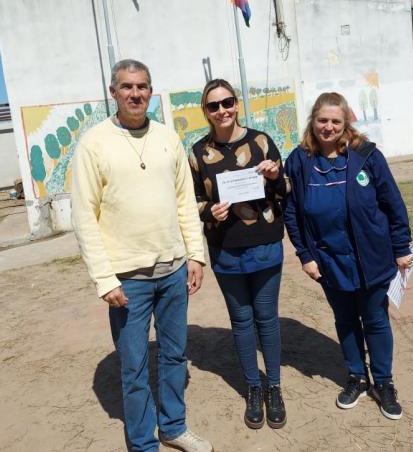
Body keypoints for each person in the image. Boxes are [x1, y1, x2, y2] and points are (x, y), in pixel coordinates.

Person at [71, 60, 213, 452]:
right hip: (126, 279)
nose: (136, 93)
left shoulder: (168, 138)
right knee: (133, 368)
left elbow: (185, 201)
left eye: (143, 86)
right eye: (127, 87)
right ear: (113, 92)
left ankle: (173, 427)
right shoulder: (94, 143)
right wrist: (104, 278)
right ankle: (142, 444)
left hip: (173, 271)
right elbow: (84, 215)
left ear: (151, 91)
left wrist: (195, 257)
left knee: (174, 355)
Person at [283, 92, 413, 421]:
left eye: (335, 121)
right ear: (313, 121)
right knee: (345, 321)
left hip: (371, 257)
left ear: (346, 124)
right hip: (328, 261)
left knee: (375, 320)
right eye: (322, 120)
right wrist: (305, 255)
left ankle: (383, 382)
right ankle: (356, 376)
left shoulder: (367, 156)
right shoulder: (298, 161)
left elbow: (393, 205)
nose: (328, 127)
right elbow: (292, 214)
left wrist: (401, 248)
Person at [189, 78, 288, 430]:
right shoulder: (198, 152)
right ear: (206, 111)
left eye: (227, 102)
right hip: (226, 250)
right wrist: (208, 212)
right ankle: (252, 386)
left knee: (267, 318)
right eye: (213, 106)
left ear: (237, 103)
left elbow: (285, 189)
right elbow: (192, 202)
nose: (222, 111)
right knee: (242, 322)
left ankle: (273, 386)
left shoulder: (261, 141)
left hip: (265, 245)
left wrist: (275, 175)